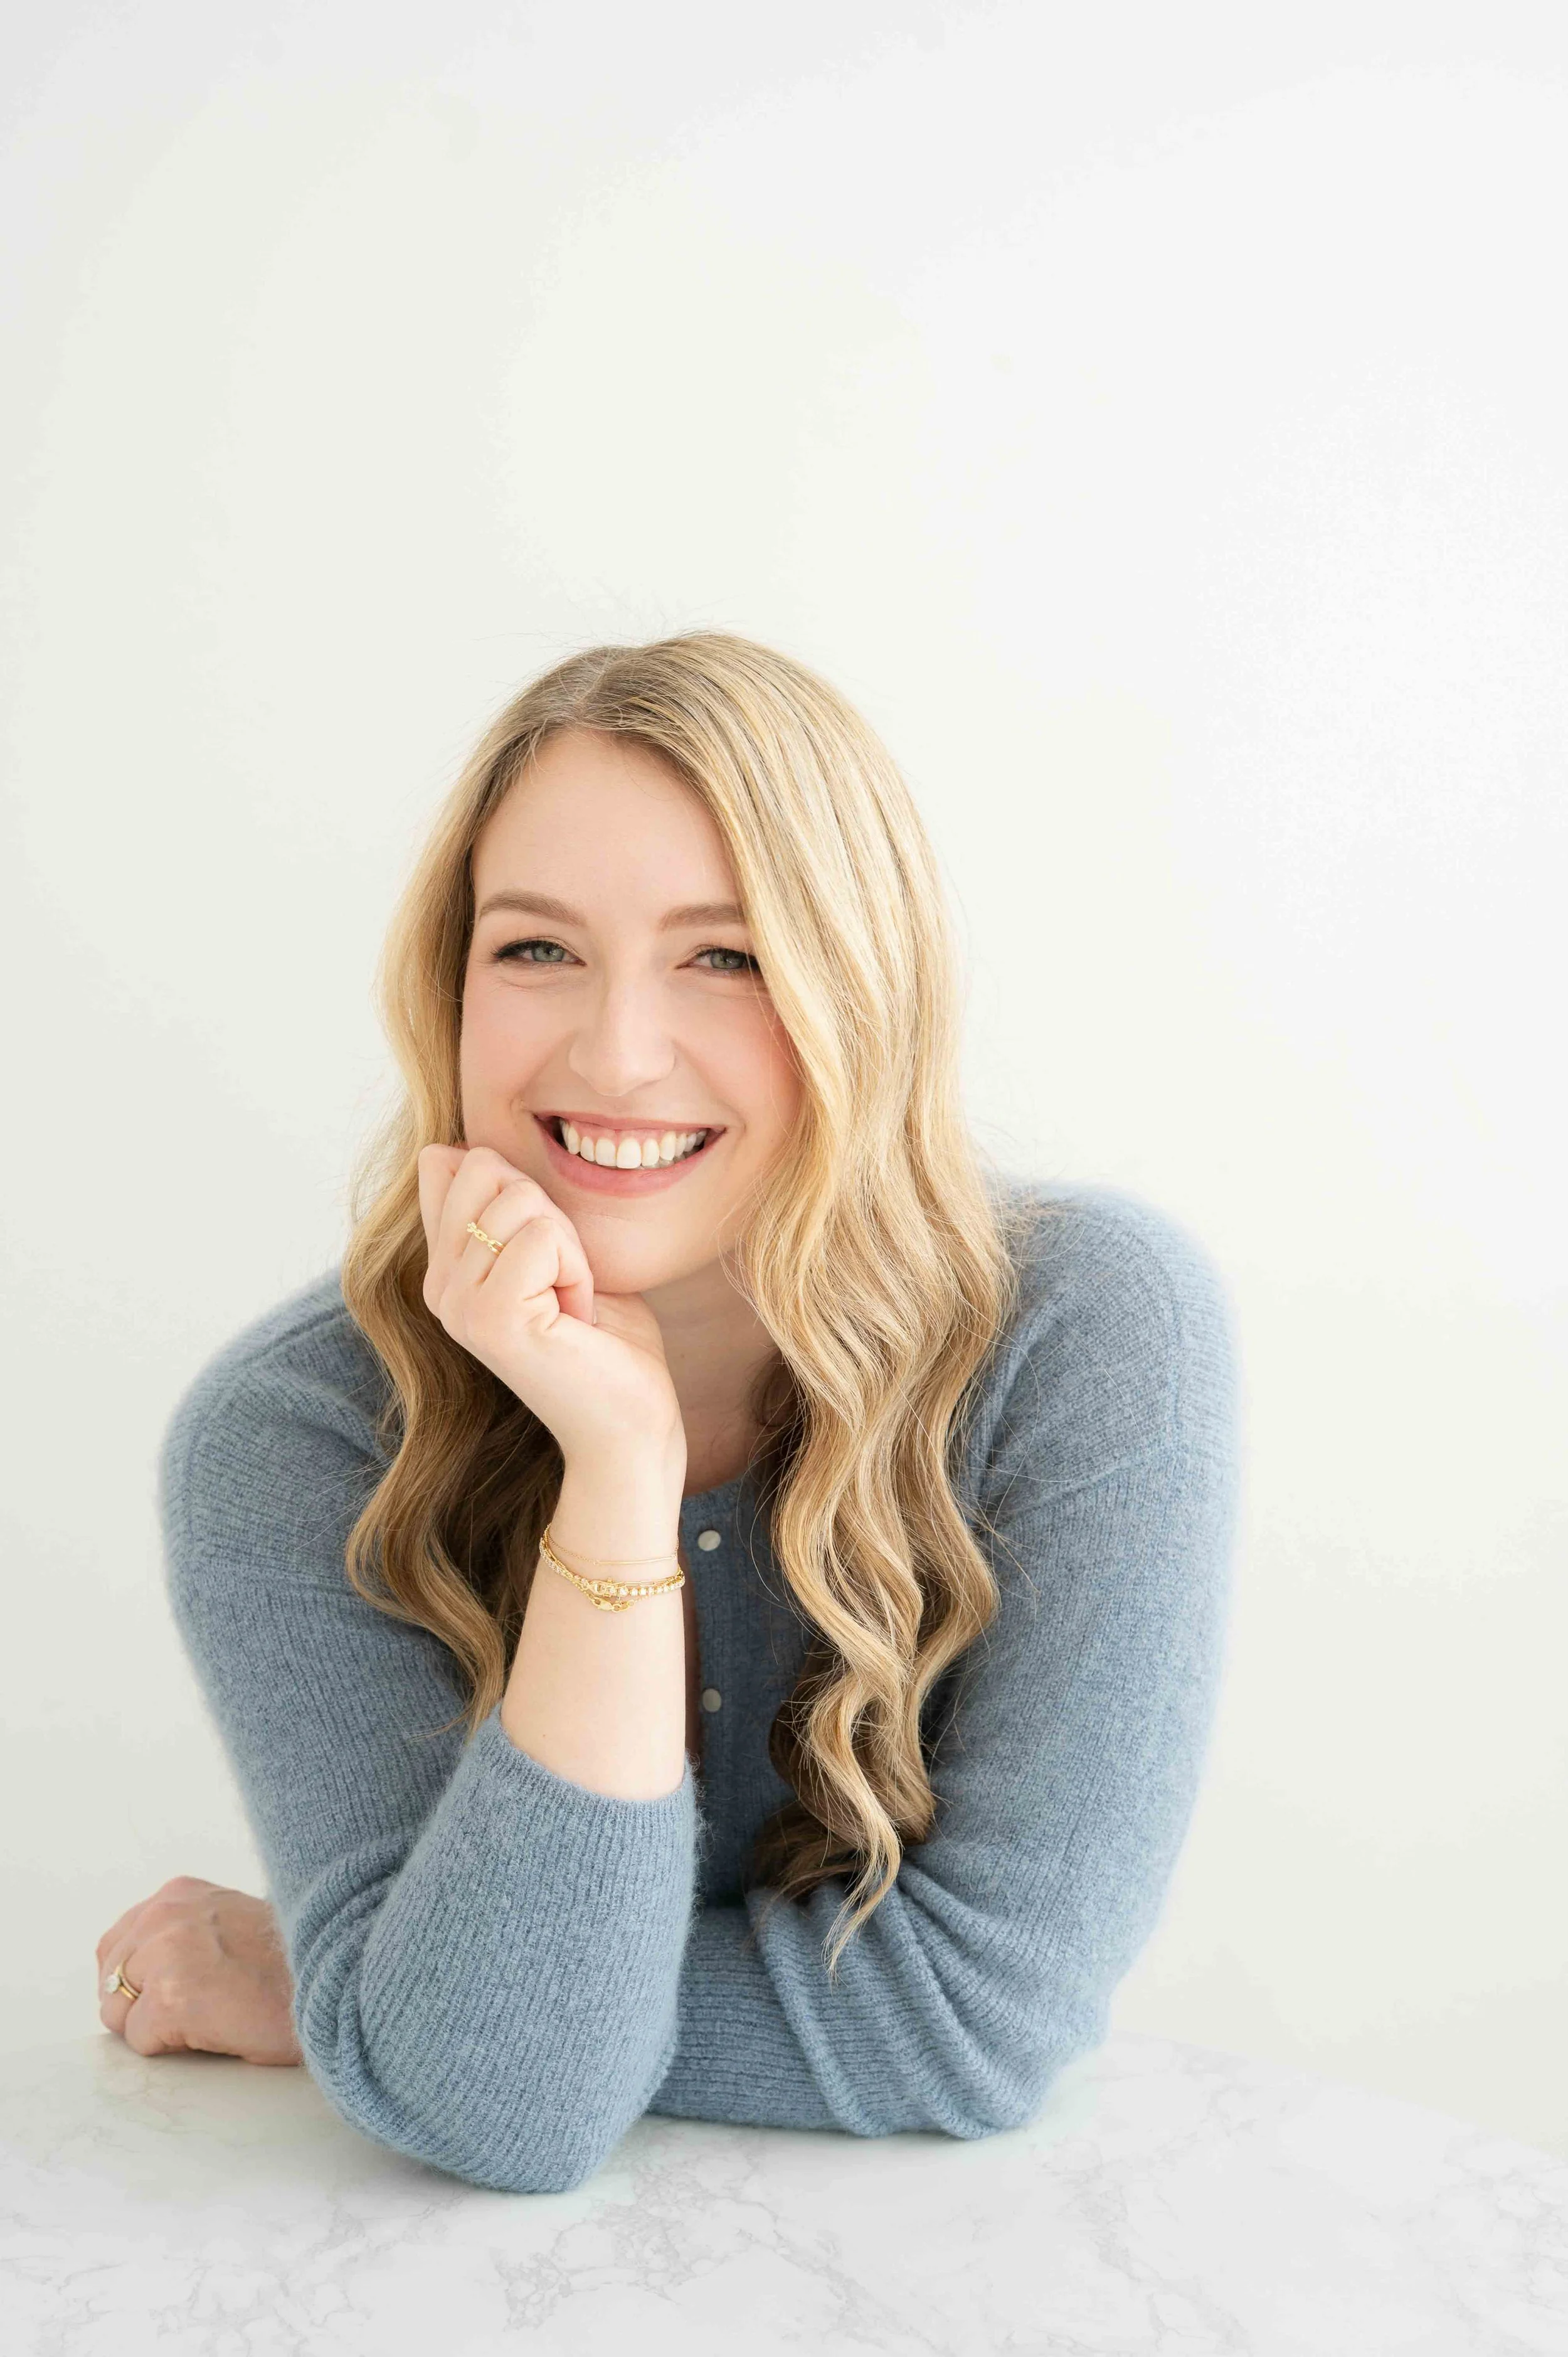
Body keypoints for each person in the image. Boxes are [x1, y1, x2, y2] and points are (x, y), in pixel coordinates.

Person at [97, 631, 1240, 2195]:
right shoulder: (295, 1438)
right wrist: (616, 1470)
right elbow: (508, 2122)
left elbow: (974, 2025)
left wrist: (367, 2008)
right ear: (446, 993)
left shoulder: (1085, 1333)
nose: (616, 1053)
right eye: (534, 950)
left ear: (860, 992)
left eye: (727, 954)